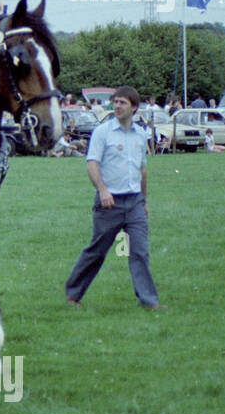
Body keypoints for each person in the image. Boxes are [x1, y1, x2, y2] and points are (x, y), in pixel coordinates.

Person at [65, 85, 163, 310]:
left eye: (122, 103)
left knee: (139, 251)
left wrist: (144, 201)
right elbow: (91, 164)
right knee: (97, 252)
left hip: (135, 202)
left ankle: (148, 301)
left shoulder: (140, 134)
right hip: (109, 204)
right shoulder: (103, 132)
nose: (117, 106)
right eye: (115, 102)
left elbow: (142, 170)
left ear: (134, 108)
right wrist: (102, 190)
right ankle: (73, 295)